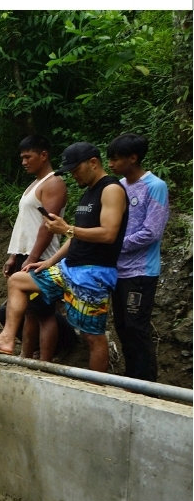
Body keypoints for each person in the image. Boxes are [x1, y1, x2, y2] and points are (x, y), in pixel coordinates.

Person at [0, 142, 129, 373]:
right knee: (18, 280)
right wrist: (48, 262)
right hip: (68, 267)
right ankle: (6, 338)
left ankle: (98, 385)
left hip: (93, 273)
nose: (74, 175)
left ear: (93, 163)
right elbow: (74, 237)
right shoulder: (89, 193)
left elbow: (108, 233)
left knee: (92, 336)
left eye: (76, 169)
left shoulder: (111, 189)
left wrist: (67, 229)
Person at [107, 133, 169, 381]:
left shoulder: (155, 187)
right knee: (122, 326)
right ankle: (132, 377)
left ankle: (147, 383)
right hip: (118, 271)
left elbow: (152, 232)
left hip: (141, 272)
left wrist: (115, 245)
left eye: (115, 158)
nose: (110, 164)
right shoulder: (119, 187)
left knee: (136, 327)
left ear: (133, 158)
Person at [2, 135, 68, 360]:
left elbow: (47, 226)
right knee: (30, 312)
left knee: (45, 314)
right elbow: (25, 223)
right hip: (26, 253)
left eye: (28, 157)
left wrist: (33, 257)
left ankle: (45, 362)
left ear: (44, 155)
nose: (24, 162)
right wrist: (14, 255)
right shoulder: (35, 184)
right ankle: (25, 356)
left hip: (41, 257)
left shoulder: (54, 183)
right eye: (22, 157)